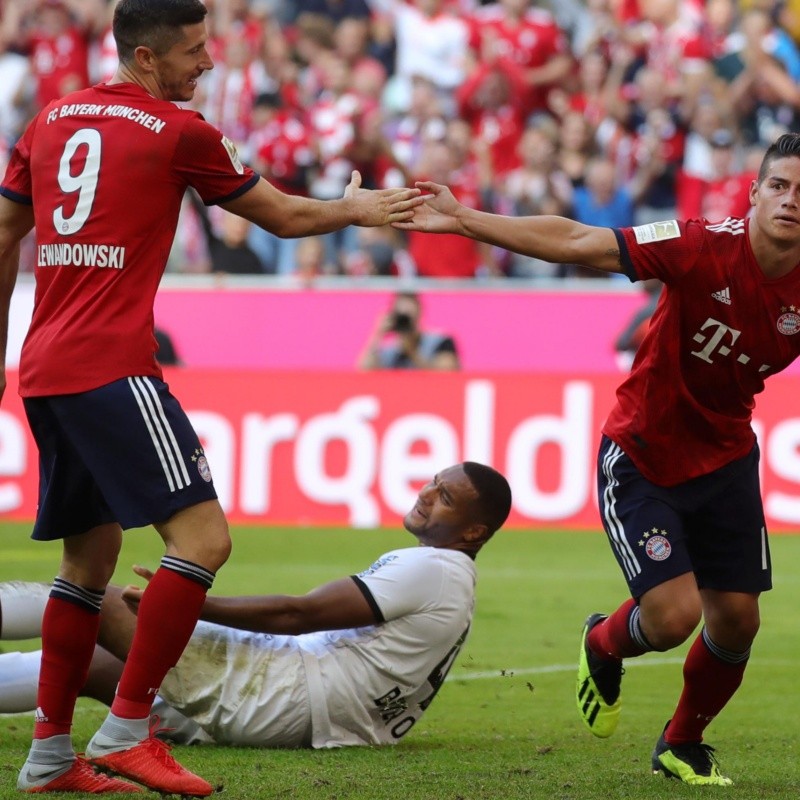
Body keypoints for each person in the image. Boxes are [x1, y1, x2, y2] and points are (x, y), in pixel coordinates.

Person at [0, 0, 422, 795]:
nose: (209, 63)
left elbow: (0, 234)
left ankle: (50, 758)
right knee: (202, 541)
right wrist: (357, 208)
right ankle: (127, 730)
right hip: (113, 366)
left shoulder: (51, 118)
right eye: (193, 51)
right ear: (148, 59)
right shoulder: (177, 133)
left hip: (46, 367)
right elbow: (283, 215)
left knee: (85, 566)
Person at [395, 132, 800, 786]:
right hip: (643, 452)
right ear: (753, 194)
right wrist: (465, 219)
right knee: (672, 619)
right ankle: (601, 643)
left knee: (738, 621)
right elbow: (582, 241)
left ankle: (681, 743)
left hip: (726, 458)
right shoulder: (698, 244)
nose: (790, 202)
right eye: (779, 186)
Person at [0, 463, 512, 750]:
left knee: (94, 601)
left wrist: (184, 604)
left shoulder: (435, 569)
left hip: (290, 695)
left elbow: (298, 615)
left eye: (445, 497)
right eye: (433, 482)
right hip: (318, 718)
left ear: (473, 531)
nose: (426, 494)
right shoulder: (453, 578)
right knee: (90, 666)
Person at [358, 291, 460, 370]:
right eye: (401, 317)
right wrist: (378, 334)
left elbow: (446, 376)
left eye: (408, 316)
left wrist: (412, 353)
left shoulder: (440, 341)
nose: (405, 322)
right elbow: (365, 371)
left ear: (419, 312)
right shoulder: (390, 351)